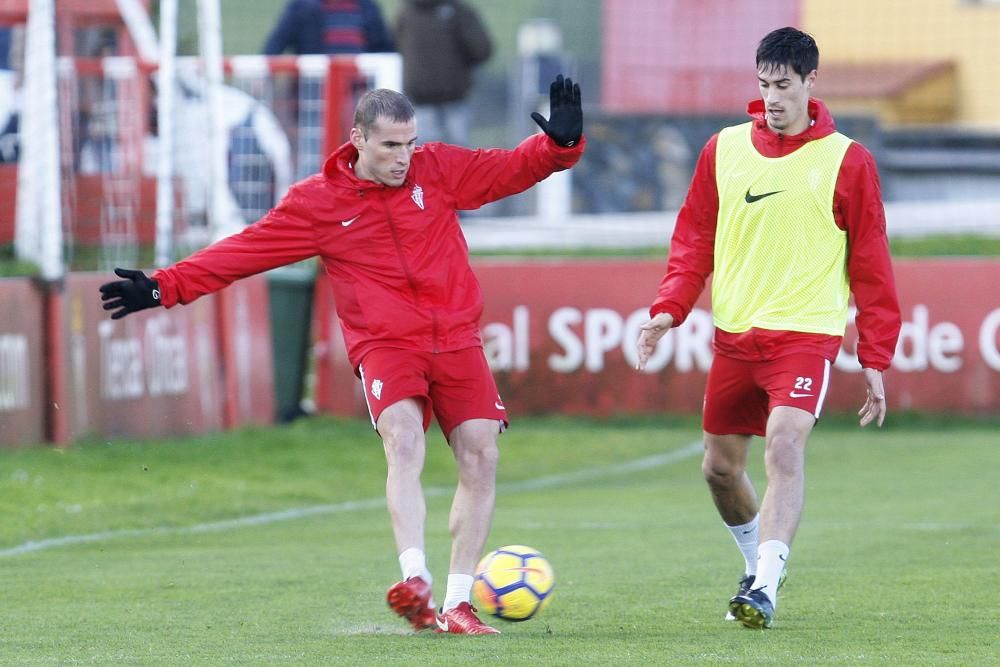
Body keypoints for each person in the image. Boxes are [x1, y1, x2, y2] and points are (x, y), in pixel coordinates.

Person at [99, 74, 584, 635]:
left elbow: (509, 169)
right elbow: (243, 253)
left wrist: (560, 147)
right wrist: (163, 287)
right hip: (386, 344)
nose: (404, 157)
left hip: (456, 338)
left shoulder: (439, 169)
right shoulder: (316, 204)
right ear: (358, 138)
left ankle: (458, 603)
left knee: (481, 456)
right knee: (403, 442)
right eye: (390, 146)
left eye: (410, 144)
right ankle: (415, 578)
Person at [635, 27, 901, 630]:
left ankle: (766, 591)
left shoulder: (847, 160)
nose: (772, 96)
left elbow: (872, 263)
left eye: (784, 85)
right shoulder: (723, 149)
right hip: (734, 338)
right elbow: (693, 240)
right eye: (764, 84)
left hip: (805, 337)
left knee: (784, 444)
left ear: (811, 82)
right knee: (719, 469)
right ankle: (759, 568)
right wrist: (667, 310)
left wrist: (876, 355)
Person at [394, 0, 492, 146]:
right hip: (454, 97)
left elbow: (393, 46)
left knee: (422, 155)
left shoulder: (405, 13)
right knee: (458, 156)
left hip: (419, 97)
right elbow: (482, 49)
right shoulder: (459, 12)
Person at [263, 0, 394, 56]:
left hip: (358, 95)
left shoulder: (367, 8)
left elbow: (383, 49)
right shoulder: (301, 7)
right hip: (315, 95)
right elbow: (275, 45)